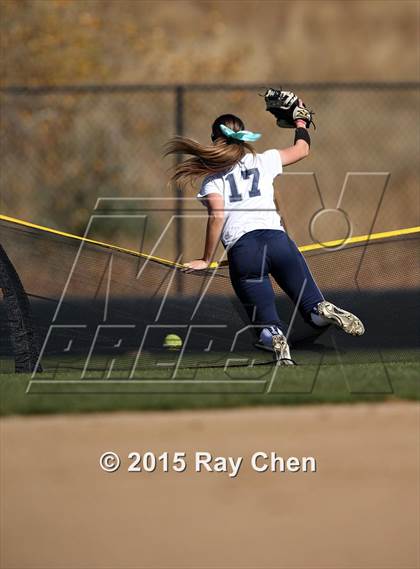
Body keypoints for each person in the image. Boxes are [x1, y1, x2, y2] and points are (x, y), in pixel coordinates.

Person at [164, 105, 364, 365]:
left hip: (245, 250)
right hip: (279, 241)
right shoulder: (263, 160)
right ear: (243, 136)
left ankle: (275, 336)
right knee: (312, 308)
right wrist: (301, 122)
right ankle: (321, 309)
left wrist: (205, 258)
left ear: (215, 140)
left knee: (266, 325)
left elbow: (217, 215)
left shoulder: (213, 178)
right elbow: (302, 150)